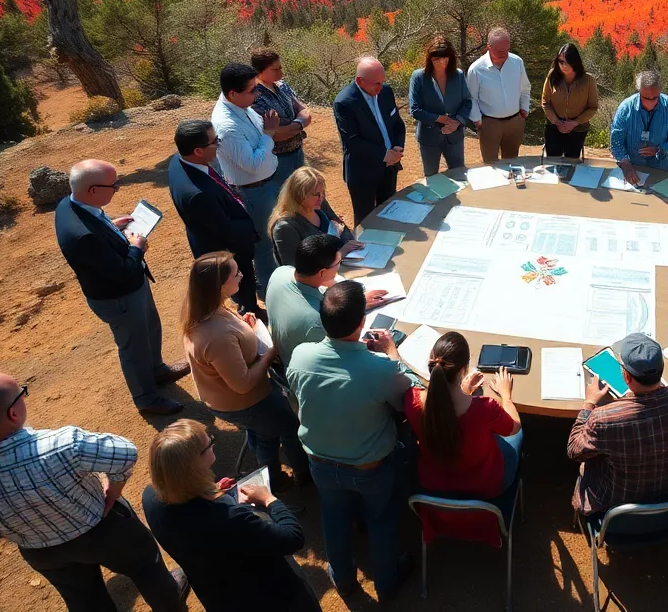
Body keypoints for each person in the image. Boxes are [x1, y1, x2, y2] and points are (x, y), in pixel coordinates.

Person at [0, 373, 189, 611]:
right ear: (13, 413)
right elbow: (126, 452)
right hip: (104, 527)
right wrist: (113, 489)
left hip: (42, 551)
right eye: (21, 393)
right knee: (147, 567)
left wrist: (5, 525)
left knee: (82, 598)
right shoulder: (63, 444)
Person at [285, 280, 419, 601]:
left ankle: (343, 580)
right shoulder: (380, 368)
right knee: (382, 521)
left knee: (333, 518)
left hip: (321, 463)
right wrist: (392, 354)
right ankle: (387, 585)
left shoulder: (301, 356)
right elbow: (406, 400)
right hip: (370, 468)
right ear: (362, 323)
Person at [142, 420, 320, 612]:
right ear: (194, 464)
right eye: (209, 443)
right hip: (270, 598)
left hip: (219, 596)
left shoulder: (150, 496)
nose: (213, 442)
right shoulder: (229, 517)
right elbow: (293, 538)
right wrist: (269, 500)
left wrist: (214, 492)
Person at [56, 159, 189, 416]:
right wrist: (137, 248)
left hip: (130, 289)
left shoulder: (70, 204)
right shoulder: (84, 236)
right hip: (120, 296)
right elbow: (122, 272)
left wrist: (111, 227)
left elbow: (97, 234)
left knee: (150, 327)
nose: (117, 188)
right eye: (113, 185)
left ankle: (157, 370)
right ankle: (146, 398)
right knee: (133, 347)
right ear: (93, 190)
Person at [182, 251, 310, 490]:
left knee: (262, 431)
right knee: (286, 427)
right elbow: (242, 384)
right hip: (246, 401)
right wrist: (270, 353)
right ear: (219, 285)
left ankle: (267, 457)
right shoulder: (217, 334)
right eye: (235, 273)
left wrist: (245, 325)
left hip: (231, 400)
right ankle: (293, 477)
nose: (242, 275)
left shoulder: (208, 310)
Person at [567, 334, 668, 516]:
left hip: (616, 505)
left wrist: (589, 403)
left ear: (626, 377)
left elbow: (574, 449)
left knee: (587, 463)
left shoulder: (604, 418)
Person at [405, 332, 523, 498]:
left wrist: (465, 392)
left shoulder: (413, 401)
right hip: (483, 487)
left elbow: (445, 413)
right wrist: (506, 397)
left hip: (434, 486)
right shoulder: (485, 408)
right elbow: (514, 427)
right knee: (516, 434)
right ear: (463, 370)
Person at [168, 119, 263, 316]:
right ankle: (250, 310)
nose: (219, 144)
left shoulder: (178, 161)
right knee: (238, 278)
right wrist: (251, 230)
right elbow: (226, 231)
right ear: (197, 151)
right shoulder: (197, 195)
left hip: (209, 230)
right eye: (214, 142)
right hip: (226, 248)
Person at [211, 62, 282, 298]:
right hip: (253, 191)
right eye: (252, 90)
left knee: (272, 235)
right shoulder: (227, 125)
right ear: (233, 93)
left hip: (266, 184)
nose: (257, 93)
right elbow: (251, 164)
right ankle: (272, 292)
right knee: (264, 243)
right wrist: (269, 134)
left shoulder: (242, 107)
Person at [266, 234, 390, 365]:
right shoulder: (317, 323)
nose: (339, 266)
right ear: (322, 273)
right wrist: (354, 307)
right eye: (338, 263)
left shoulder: (280, 272)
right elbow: (340, 356)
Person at [334, 56, 407, 224]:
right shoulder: (344, 102)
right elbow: (352, 142)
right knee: (365, 220)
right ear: (360, 81)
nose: (381, 87)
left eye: (383, 81)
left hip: (389, 168)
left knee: (388, 212)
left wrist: (397, 146)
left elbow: (397, 123)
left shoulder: (386, 92)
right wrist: (383, 154)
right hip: (363, 172)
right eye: (376, 83)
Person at [268, 165, 361, 267]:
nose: (321, 197)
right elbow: (297, 270)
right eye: (315, 194)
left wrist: (351, 242)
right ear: (298, 194)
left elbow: (339, 225)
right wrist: (339, 255)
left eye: (322, 192)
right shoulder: (285, 227)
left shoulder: (319, 204)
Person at [465, 27, 531, 163]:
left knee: (512, 163)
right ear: (489, 47)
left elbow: (525, 88)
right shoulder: (476, 69)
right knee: (491, 165)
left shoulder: (517, 62)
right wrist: (477, 120)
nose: (505, 54)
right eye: (500, 51)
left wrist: (524, 109)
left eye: (507, 50)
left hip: (515, 122)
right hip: (489, 123)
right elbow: (471, 98)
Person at [250, 47, 313, 188]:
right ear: (259, 70)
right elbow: (274, 135)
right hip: (278, 160)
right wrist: (300, 124)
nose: (281, 72)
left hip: (298, 151)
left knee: (306, 192)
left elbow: (304, 111)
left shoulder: (282, 85)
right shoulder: (254, 96)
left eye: (280, 68)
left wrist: (294, 126)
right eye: (275, 69)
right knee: (287, 197)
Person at [409, 35, 472, 175]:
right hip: (429, 137)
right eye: (436, 58)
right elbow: (415, 109)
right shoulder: (419, 77)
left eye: (445, 57)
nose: (441, 62)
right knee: (431, 177)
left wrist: (458, 122)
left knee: (459, 174)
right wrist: (439, 118)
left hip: (454, 135)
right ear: (429, 59)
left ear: (450, 58)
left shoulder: (458, 75)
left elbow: (467, 102)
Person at [610, 70, 668, 177]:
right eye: (646, 98)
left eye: (655, 97)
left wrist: (661, 149)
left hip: (660, 167)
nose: (651, 102)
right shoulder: (625, 108)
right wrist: (624, 162)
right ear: (639, 91)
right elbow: (616, 141)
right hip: (632, 167)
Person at [541, 42, 599, 159]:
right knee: (552, 162)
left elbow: (593, 107)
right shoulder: (552, 76)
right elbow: (545, 102)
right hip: (554, 126)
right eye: (561, 62)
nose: (564, 65)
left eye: (568, 62)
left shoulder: (588, 80)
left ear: (575, 62)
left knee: (572, 163)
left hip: (578, 128)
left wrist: (575, 122)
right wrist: (556, 121)